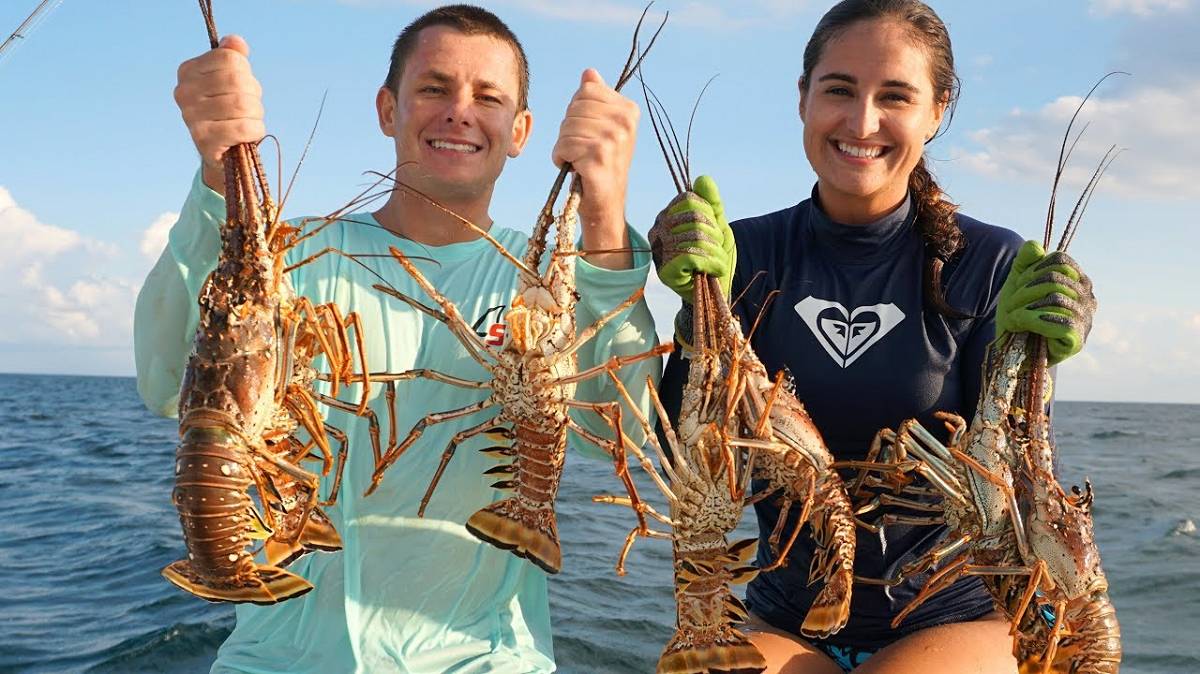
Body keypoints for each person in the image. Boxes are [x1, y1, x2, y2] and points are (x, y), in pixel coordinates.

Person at [134, 5, 662, 673]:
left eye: (488, 97)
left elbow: (625, 438)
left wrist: (605, 218)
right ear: (388, 110)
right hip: (276, 660)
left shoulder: (547, 281)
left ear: (522, 130)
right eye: (434, 88)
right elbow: (161, 381)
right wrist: (216, 176)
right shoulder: (289, 255)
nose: (459, 112)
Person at [650, 1, 1096, 672]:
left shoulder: (994, 263)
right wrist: (692, 318)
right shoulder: (741, 252)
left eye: (895, 96)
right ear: (802, 97)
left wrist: (1040, 347)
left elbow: (1022, 478)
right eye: (839, 90)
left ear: (937, 110)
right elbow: (680, 459)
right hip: (783, 615)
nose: (861, 122)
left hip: (957, 617)